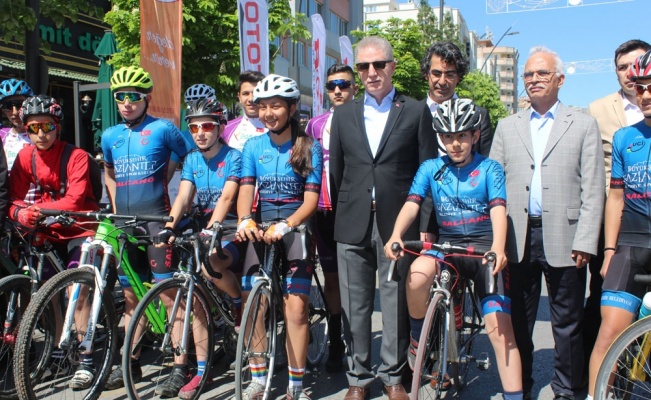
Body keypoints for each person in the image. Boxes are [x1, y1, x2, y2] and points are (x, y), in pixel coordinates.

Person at [384, 98, 523, 400]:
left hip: (483, 249)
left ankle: (514, 395)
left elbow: (498, 209)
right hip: (447, 246)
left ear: (475, 135)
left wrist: (498, 248)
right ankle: (419, 340)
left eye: (462, 136)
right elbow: (412, 204)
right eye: (448, 137)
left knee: (500, 330)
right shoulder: (431, 168)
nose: (455, 144)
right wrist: (396, 234)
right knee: (416, 276)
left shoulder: (489, 168)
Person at [490, 46, 605, 400]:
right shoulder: (507, 126)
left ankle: (567, 389)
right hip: (517, 236)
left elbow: (593, 188)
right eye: (528, 74)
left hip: (567, 237)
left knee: (567, 322)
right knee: (518, 320)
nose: (534, 79)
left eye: (542, 73)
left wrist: (586, 239)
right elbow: (494, 184)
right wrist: (496, 240)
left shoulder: (582, 124)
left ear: (560, 79)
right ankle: (520, 386)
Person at [329, 36, 437, 400]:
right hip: (352, 219)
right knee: (354, 303)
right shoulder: (343, 114)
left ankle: (393, 376)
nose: (371, 72)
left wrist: (424, 225)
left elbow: (426, 171)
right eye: (363, 66)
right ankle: (358, 379)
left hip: (398, 224)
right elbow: (337, 171)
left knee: (394, 302)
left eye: (379, 64)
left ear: (392, 67)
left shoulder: (416, 111)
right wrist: (344, 209)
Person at [100, 65, 192, 392]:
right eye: (120, 97)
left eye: (133, 97)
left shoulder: (163, 129)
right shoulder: (110, 135)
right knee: (130, 296)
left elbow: (192, 161)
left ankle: (180, 365)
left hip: (157, 222)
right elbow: (110, 173)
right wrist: (115, 210)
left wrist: (176, 193)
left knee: (168, 295)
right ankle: (131, 362)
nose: (126, 103)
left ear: (146, 98)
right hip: (125, 225)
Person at [236, 74, 322, 400]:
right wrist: (245, 218)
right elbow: (246, 190)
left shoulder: (309, 146)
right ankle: (258, 377)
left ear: (292, 108)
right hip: (262, 228)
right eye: (262, 107)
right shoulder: (252, 146)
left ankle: (296, 386)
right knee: (252, 302)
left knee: (296, 310)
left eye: (276, 106)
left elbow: (311, 201)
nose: (268, 113)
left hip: (296, 228)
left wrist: (287, 224)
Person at [9, 94, 99, 388]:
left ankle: (86, 359)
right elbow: (13, 198)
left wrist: (35, 209)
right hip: (48, 229)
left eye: (46, 126)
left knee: (77, 292)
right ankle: (60, 351)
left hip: (80, 228)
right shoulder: (26, 157)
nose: (41, 134)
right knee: (48, 295)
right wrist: (20, 213)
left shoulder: (77, 156)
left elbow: (75, 201)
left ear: (57, 127)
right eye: (33, 128)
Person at [155, 97, 243, 399]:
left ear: (220, 127)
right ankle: (201, 370)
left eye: (207, 126)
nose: (200, 132)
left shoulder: (234, 157)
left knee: (212, 264)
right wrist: (169, 226)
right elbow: (183, 197)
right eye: (194, 128)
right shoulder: (192, 159)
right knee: (195, 302)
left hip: (230, 227)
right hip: (203, 228)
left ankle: (237, 302)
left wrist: (212, 229)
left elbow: (227, 197)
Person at [583, 38, 651, 379]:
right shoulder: (625, 137)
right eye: (640, 88)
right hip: (631, 243)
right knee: (609, 333)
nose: (645, 95)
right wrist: (609, 251)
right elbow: (616, 197)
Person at [304, 63, 357, 373]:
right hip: (323, 213)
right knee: (333, 279)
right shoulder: (314, 125)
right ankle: (336, 342)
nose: (337, 90)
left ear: (354, 88)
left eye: (344, 85)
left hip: (355, 213)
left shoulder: (364, 120)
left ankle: (358, 344)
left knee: (358, 281)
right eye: (332, 85)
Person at [420, 42, 493, 156]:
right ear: (426, 74)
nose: (442, 81)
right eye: (437, 74)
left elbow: (485, 161)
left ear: (459, 77)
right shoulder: (412, 115)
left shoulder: (478, 116)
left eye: (449, 75)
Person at [222, 70, 267, 151]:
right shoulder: (226, 129)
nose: (251, 99)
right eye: (246, 94)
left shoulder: (276, 128)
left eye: (255, 93)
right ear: (239, 97)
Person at [0, 79, 34, 171]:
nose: (14, 112)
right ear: (3, 110)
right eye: (8, 106)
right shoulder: (1, 135)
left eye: (20, 104)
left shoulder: (41, 133)